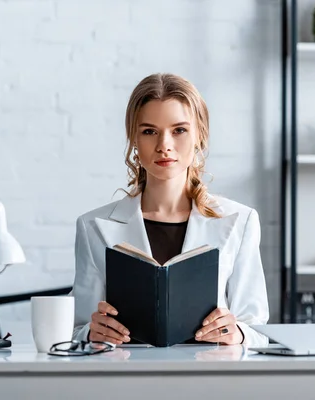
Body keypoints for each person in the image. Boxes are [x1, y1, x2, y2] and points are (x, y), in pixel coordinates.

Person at [71, 73, 269, 346]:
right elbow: (77, 329)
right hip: (125, 377)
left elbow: (258, 330)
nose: (164, 145)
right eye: (149, 131)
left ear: (200, 135)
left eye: (179, 130)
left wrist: (239, 333)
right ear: (134, 141)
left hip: (210, 377)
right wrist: (91, 333)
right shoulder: (93, 226)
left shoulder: (240, 221)